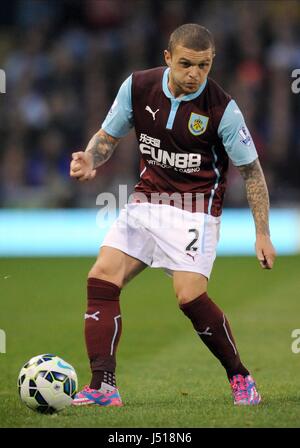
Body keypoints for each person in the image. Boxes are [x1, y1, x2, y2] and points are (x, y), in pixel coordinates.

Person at [70, 24, 276, 407]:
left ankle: (240, 377)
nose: (195, 73)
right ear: (168, 59)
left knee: (189, 297)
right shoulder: (137, 87)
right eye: (186, 64)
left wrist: (262, 233)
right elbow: (108, 137)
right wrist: (89, 159)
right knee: (101, 277)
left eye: (204, 65)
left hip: (196, 209)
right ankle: (102, 387)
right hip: (147, 201)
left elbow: (251, 172)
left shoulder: (222, 108)